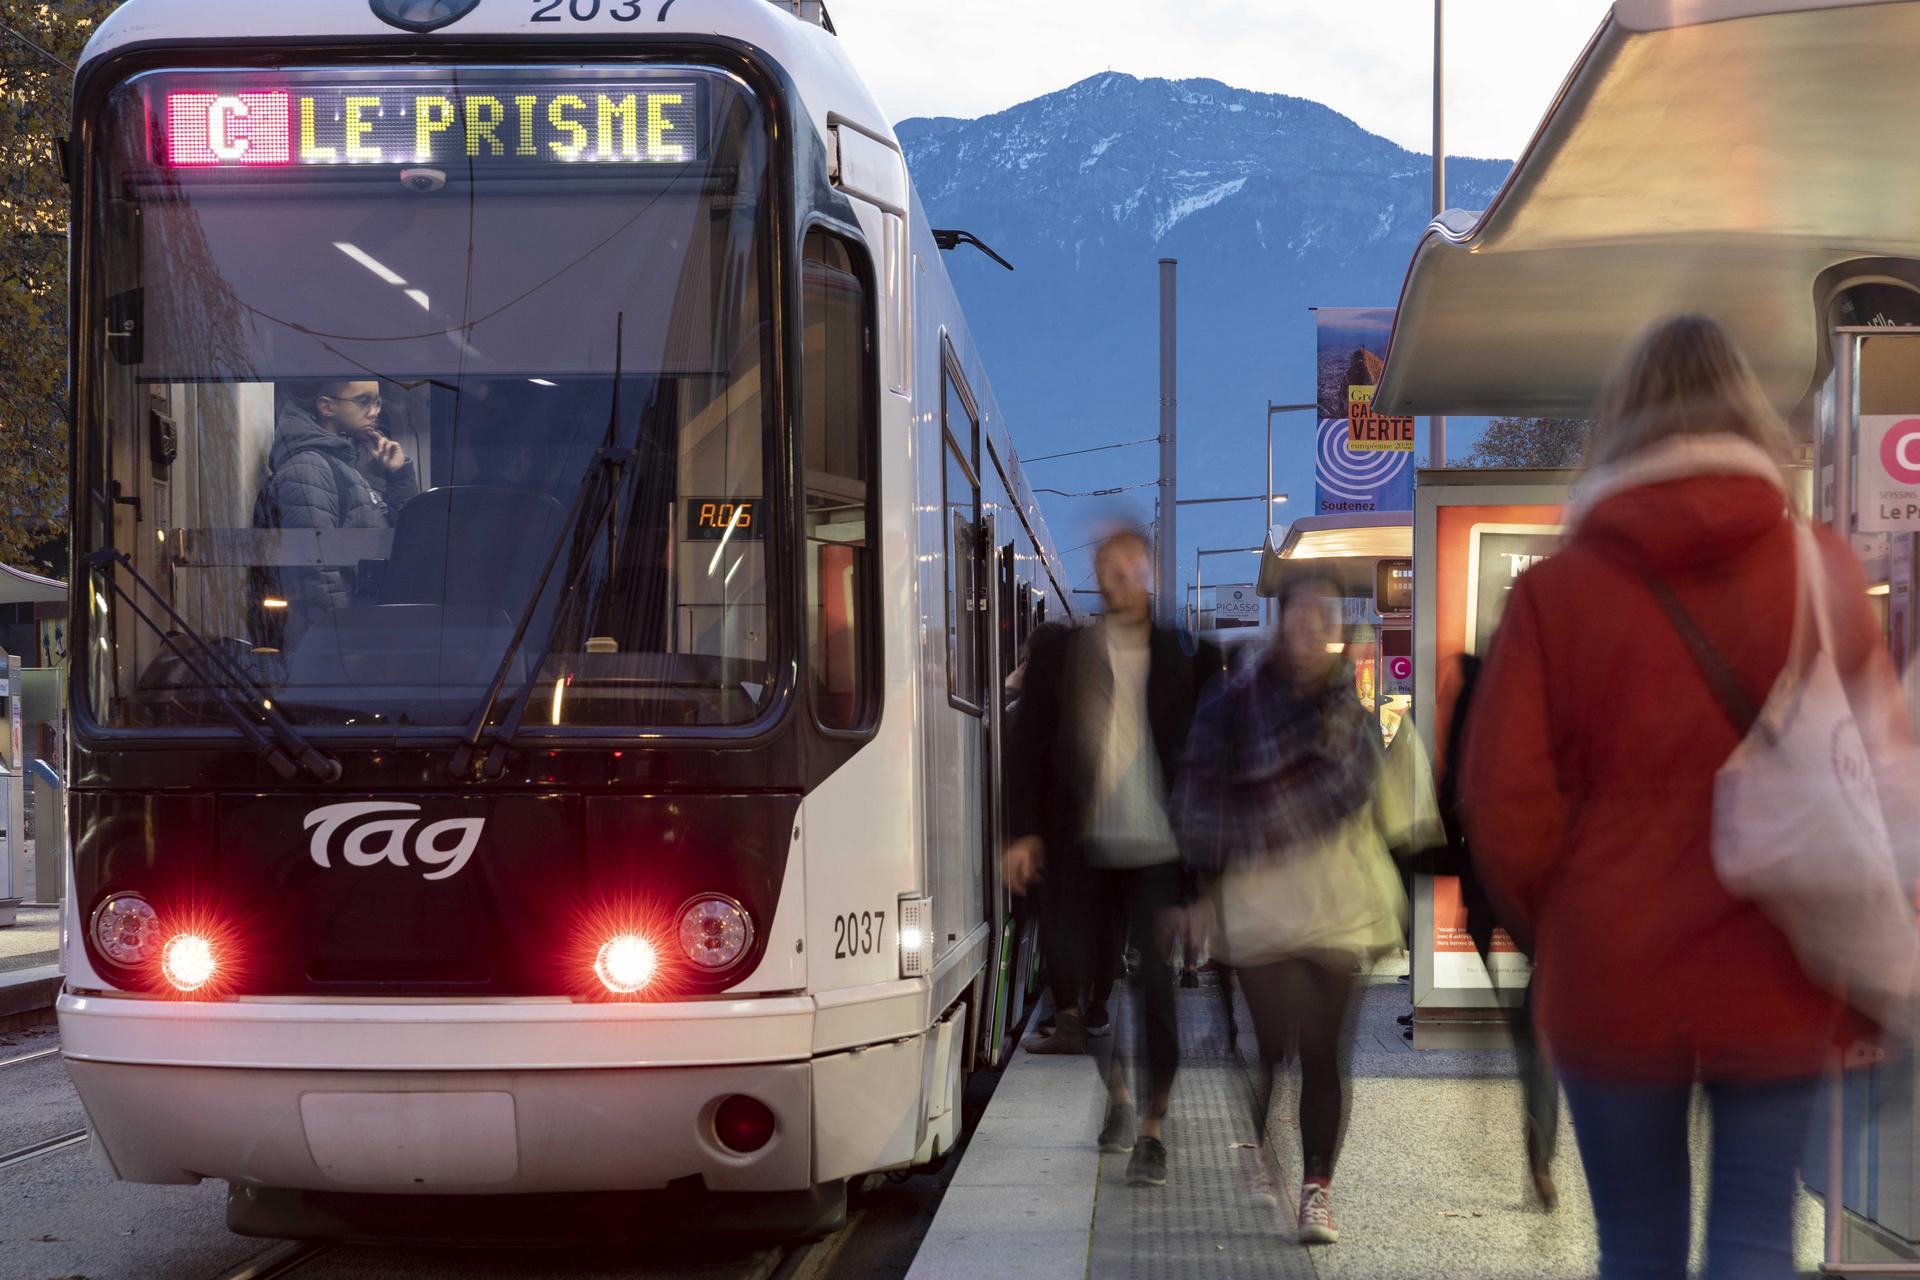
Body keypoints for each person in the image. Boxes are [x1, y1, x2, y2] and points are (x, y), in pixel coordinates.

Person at [1461, 314, 1913, 1280]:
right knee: (1756, 1237)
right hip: (1781, 961)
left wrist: (1574, 918)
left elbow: (1502, 803)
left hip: (1613, 970)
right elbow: (1884, 776)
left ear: (1623, 419)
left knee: (1637, 1246)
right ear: (1746, 412)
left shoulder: (1557, 594)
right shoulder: (1819, 568)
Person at [1173, 573, 1408, 1247]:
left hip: (1340, 898)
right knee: (1274, 1043)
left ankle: (1316, 1191)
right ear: (1279, 623)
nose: (1310, 632)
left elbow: (1366, 787)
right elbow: (1198, 795)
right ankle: (1260, 1141)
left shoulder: (1352, 711)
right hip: (1259, 901)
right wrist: (1198, 892)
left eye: (1323, 620)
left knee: (1327, 1052)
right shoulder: (1232, 702)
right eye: (1300, 618)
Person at [1004, 526, 1221, 1189]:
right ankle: (1120, 1093)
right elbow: (1027, 750)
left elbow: (1213, 766)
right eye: (1107, 569)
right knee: (1086, 999)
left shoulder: (1189, 656)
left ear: (1148, 571)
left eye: (1129, 568)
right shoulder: (1062, 654)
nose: (1118, 579)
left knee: (1155, 995)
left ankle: (1152, 1133)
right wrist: (1022, 833)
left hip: (1160, 852)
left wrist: (1210, 882)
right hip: (1086, 855)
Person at [253, 379, 418, 645]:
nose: (375, 411)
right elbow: (316, 578)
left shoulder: (347, 465)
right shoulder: (308, 469)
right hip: (336, 648)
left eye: (377, 402)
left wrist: (398, 476)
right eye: (363, 401)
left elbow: (403, 539)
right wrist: (344, 646)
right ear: (327, 406)